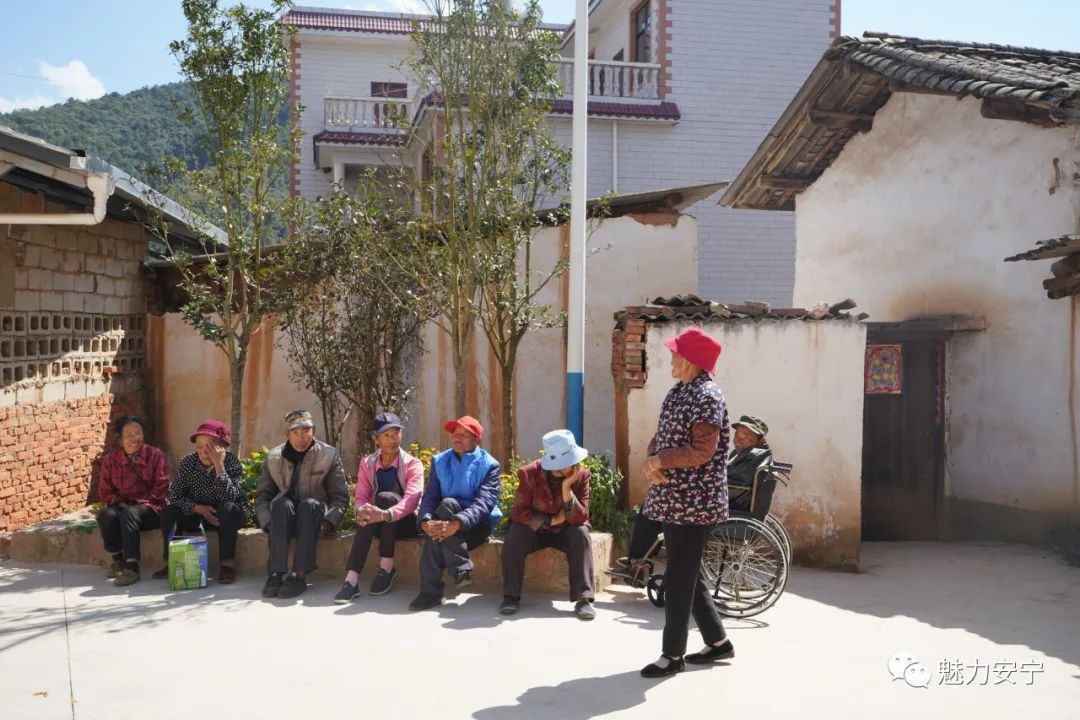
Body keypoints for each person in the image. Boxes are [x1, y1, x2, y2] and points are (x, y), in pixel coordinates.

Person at [638, 327, 735, 678]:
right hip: (674, 498)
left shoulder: (707, 395)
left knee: (679, 576)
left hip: (696, 503)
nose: (671, 358)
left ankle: (671, 655)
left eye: (676, 354)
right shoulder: (678, 392)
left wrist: (661, 462)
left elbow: (702, 450)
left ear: (692, 360)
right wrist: (652, 460)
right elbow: (662, 436)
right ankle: (718, 642)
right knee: (685, 569)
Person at [500, 429, 596, 620]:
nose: (574, 466)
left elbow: (579, 517)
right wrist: (552, 520)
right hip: (536, 530)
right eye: (568, 464)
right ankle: (511, 596)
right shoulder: (529, 474)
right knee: (515, 535)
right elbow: (518, 512)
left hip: (566, 531)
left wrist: (567, 488)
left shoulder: (581, 476)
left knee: (581, 534)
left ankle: (583, 599)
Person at [409, 415, 501, 611]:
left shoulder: (489, 465)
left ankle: (431, 591)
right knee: (439, 518)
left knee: (447, 507)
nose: (456, 438)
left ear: (477, 440)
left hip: (476, 527)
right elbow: (430, 496)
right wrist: (425, 521)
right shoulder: (440, 461)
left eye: (464, 435)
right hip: (446, 522)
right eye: (454, 433)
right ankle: (459, 571)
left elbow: (483, 504)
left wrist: (457, 523)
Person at [255, 410, 349, 599]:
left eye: (306, 431)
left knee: (309, 506)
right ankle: (275, 573)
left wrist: (330, 520)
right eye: (295, 432)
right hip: (285, 518)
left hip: (314, 515)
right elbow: (263, 497)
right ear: (287, 434)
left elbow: (340, 496)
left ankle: (299, 575)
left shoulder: (328, 455)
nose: (301, 437)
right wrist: (267, 521)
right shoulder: (273, 458)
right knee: (280, 504)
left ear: (313, 431)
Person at [334, 412, 423, 603]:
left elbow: (412, 501)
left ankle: (387, 567)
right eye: (387, 435)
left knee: (385, 498)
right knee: (367, 510)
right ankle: (351, 579)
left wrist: (385, 514)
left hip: (406, 523)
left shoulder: (413, 464)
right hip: (380, 522)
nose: (393, 440)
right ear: (376, 439)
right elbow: (360, 497)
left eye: (396, 434)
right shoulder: (368, 463)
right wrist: (360, 511)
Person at [153, 420, 251, 584]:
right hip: (198, 514)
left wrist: (220, 467)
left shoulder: (231, 462)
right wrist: (197, 508)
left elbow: (231, 497)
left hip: (225, 518)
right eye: (199, 447)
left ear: (222, 448)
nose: (204, 452)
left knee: (227, 509)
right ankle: (171, 561)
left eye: (210, 447)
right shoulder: (188, 462)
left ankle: (227, 566)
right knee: (169, 512)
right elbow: (174, 495)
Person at [96, 416, 169, 586]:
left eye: (139, 433)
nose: (135, 438)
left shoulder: (156, 456)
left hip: (151, 510)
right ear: (120, 439)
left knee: (130, 513)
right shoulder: (111, 460)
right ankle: (117, 559)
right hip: (124, 507)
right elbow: (105, 491)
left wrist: (139, 504)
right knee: (106, 514)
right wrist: (120, 503)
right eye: (129, 435)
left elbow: (161, 487)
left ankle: (132, 567)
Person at [727, 415, 773, 518]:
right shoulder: (740, 453)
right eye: (737, 435)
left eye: (746, 437)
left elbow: (736, 485)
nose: (738, 441)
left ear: (761, 441)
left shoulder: (753, 455)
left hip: (736, 507)